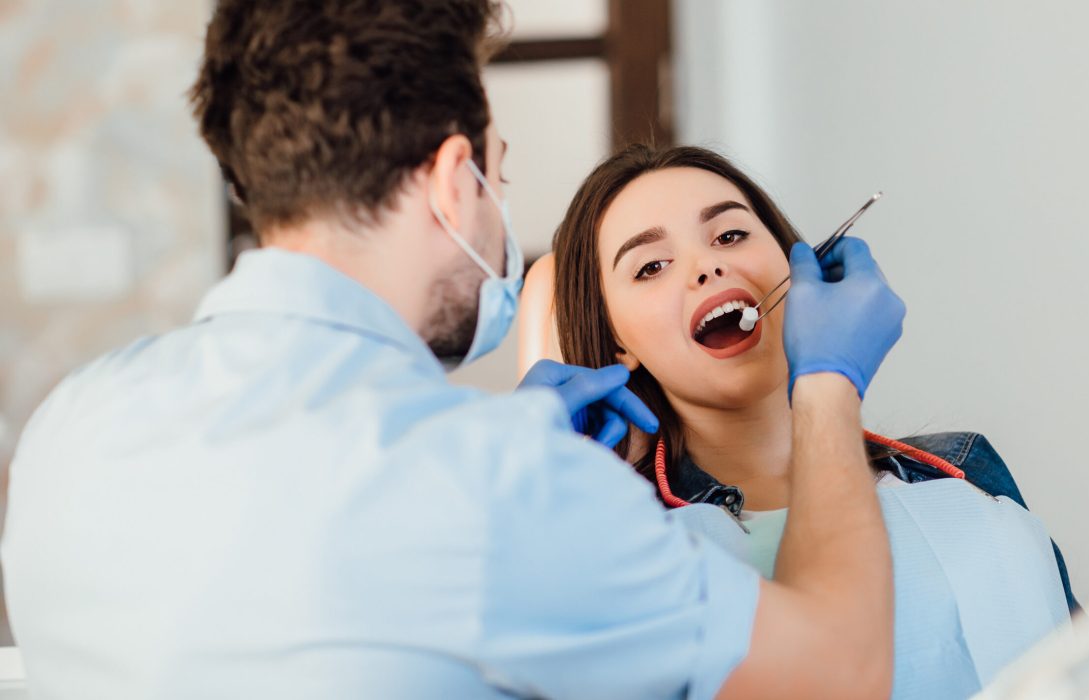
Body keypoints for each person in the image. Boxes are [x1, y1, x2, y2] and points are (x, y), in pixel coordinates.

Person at [2, 2, 907, 698]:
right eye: (499, 176)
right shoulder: (493, 483)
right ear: (451, 181)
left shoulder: (69, 426)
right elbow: (840, 670)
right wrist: (826, 384)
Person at [546, 144, 1079, 698]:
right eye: (651, 266)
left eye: (729, 236)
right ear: (617, 342)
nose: (707, 266)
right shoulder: (614, 547)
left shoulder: (959, 468)